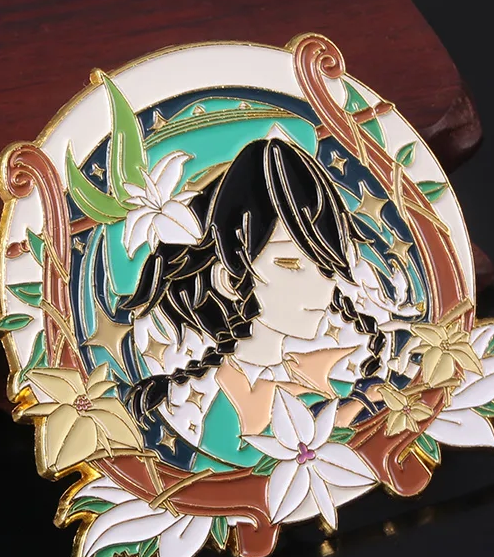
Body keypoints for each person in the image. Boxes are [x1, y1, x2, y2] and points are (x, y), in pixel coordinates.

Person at [121, 135, 416, 473]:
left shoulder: (353, 365)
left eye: (326, 266)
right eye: (290, 264)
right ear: (229, 280)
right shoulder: (203, 409)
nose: (320, 288)